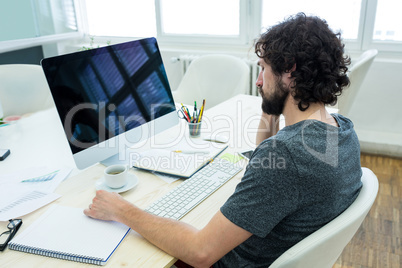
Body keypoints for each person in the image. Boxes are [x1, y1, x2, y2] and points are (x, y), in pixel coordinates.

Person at [84, 13, 363, 267]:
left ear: (289, 71)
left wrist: (122, 210)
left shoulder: (287, 156)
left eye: (263, 69)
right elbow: (267, 158)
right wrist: (271, 104)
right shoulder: (343, 131)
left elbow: (201, 252)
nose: (258, 81)